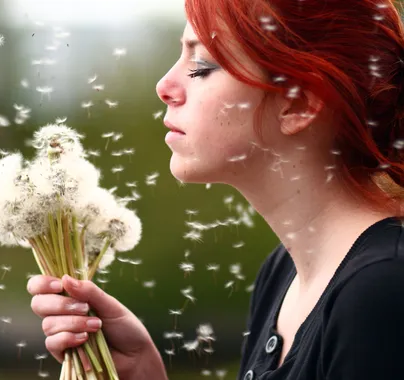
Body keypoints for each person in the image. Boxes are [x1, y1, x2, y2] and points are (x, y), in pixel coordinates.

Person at [27, 0, 404, 378]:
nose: (165, 86)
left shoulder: (380, 294)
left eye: (202, 65)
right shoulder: (284, 273)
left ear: (298, 104)